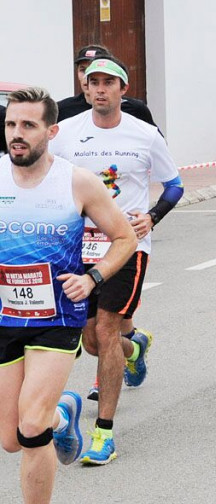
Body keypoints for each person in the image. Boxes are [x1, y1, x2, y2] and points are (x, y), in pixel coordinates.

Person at [1, 87, 138, 503]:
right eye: (10, 124)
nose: (17, 134)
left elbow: (124, 238)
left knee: (30, 429)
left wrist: (93, 278)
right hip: (5, 318)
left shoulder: (77, 182)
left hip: (58, 318)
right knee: (9, 437)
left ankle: (46, 422)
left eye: (28, 125)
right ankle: (65, 415)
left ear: (51, 131)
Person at [48, 59, 182, 465]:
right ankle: (134, 349)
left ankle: (103, 432)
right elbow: (47, 175)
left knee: (106, 330)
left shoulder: (144, 134)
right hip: (78, 247)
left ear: (123, 89)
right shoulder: (66, 133)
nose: (101, 89)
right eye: (94, 82)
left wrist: (152, 216)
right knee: (90, 340)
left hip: (127, 246)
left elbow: (174, 184)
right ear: (85, 90)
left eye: (109, 82)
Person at [56, 46, 156, 126]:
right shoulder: (61, 109)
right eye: (83, 70)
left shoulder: (135, 108)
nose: (87, 77)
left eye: (107, 81)